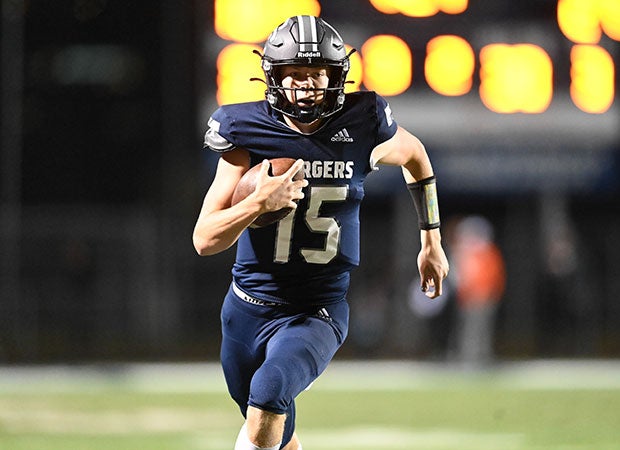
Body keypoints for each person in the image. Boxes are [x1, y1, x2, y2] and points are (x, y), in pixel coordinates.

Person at [193, 16, 449, 450]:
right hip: (245, 308)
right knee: (276, 431)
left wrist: (432, 241)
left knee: (269, 395)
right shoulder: (244, 130)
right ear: (274, 78)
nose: (307, 86)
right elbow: (205, 239)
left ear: (337, 77)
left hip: (317, 310)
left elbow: (417, 157)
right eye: (295, 74)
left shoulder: (363, 122)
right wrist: (257, 203)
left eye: (318, 74)